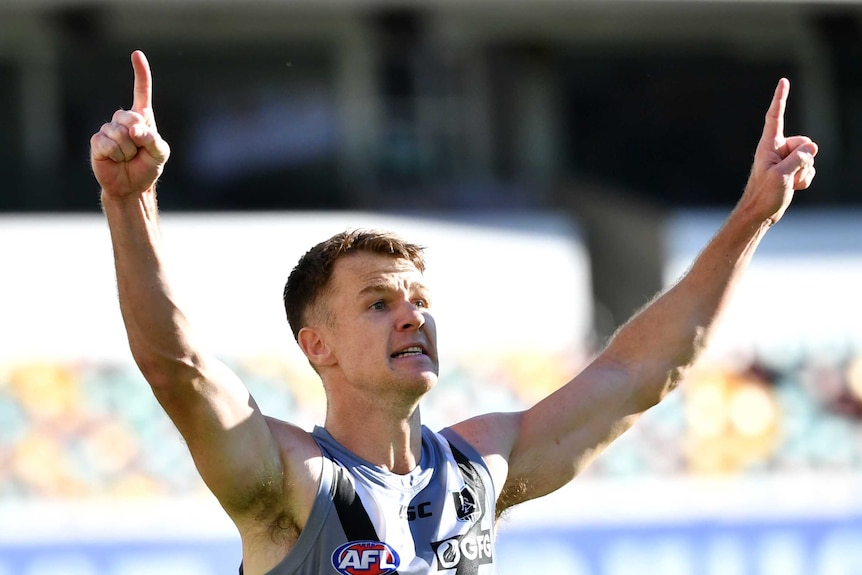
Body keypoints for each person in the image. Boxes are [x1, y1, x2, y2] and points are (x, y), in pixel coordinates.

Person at [90, 50, 818, 575]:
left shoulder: (480, 469)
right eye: (378, 302)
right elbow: (176, 366)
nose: (412, 316)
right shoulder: (288, 480)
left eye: (420, 300)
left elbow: (641, 372)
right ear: (318, 346)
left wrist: (752, 215)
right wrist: (130, 201)